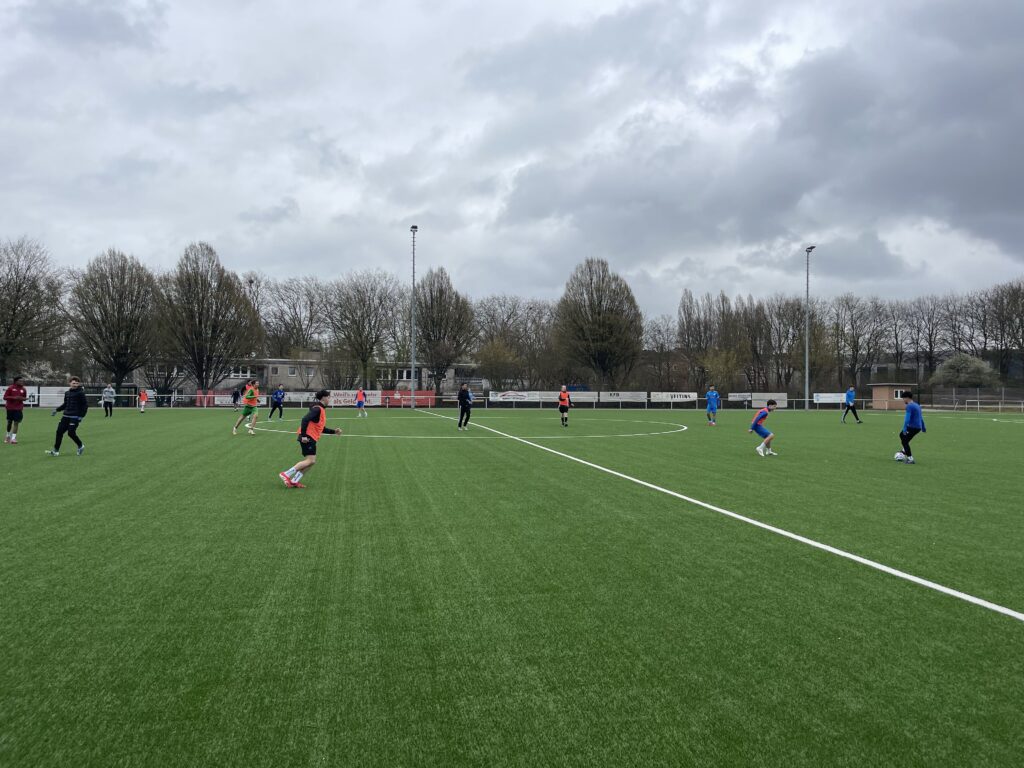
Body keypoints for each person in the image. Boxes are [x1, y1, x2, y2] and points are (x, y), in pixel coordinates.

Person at [279, 389, 342, 488]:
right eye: (329, 397)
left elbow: (320, 428)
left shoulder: (320, 410)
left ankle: (295, 480)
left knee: (311, 461)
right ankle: (286, 474)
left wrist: (334, 431)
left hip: (310, 436)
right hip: (307, 437)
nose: (330, 399)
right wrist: (304, 435)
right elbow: (305, 419)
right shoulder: (317, 409)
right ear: (324, 398)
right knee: (310, 461)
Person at [46, 376, 88, 456]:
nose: (75, 385)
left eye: (76, 383)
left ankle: (80, 445)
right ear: (70, 383)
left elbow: (85, 406)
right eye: (73, 383)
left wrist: (81, 416)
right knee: (59, 432)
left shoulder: (81, 393)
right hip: (65, 416)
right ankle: (56, 451)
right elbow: (65, 404)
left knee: (71, 433)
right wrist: (57, 410)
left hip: (75, 417)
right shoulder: (67, 393)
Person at [897, 391, 926, 465]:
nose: (903, 400)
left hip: (912, 427)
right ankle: (904, 451)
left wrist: (904, 428)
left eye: (903, 398)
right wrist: (923, 426)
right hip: (918, 427)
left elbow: (907, 419)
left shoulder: (909, 406)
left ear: (907, 398)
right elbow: (921, 417)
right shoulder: (917, 405)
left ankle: (910, 459)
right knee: (903, 437)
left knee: (904, 441)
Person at [4, 375, 28, 445]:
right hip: (10, 408)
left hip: (18, 408)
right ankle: (8, 435)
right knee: (9, 422)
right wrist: (14, 398)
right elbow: (5, 397)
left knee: (16, 422)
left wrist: (24, 399)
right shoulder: (10, 388)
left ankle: (13, 438)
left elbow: (24, 398)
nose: (22, 382)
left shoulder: (23, 389)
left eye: (22, 381)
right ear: (16, 381)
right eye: (20, 381)